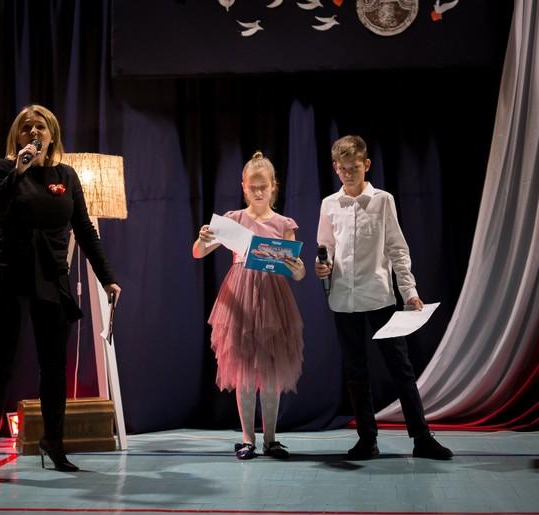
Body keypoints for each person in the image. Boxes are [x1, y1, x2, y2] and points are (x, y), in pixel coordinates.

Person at [0, 104, 121, 483]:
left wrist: (107, 278)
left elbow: (84, 229)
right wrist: (18, 172)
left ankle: (54, 444)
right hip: (7, 273)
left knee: (54, 366)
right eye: (26, 127)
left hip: (52, 276)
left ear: (52, 135)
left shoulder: (65, 176)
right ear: (17, 136)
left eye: (40, 126)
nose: (33, 132)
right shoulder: (3, 169)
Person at [314, 135, 452, 460]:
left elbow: (397, 249)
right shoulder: (329, 204)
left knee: (400, 368)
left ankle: (421, 437)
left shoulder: (383, 200)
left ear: (366, 165)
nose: (349, 174)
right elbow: (326, 246)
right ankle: (367, 439)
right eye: (343, 169)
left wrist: (410, 292)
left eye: (354, 168)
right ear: (335, 169)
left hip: (379, 296)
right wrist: (323, 265)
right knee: (355, 372)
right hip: (343, 300)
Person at [193, 151, 306, 460]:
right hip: (240, 297)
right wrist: (203, 238)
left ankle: (271, 439)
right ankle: (248, 439)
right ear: (243, 186)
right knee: (243, 370)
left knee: (270, 372)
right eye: (252, 187)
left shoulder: (283, 224)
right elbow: (199, 252)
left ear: (273, 187)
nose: (258, 192)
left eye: (263, 187)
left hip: (273, 299)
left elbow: (297, 272)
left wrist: (298, 267)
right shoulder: (234, 220)